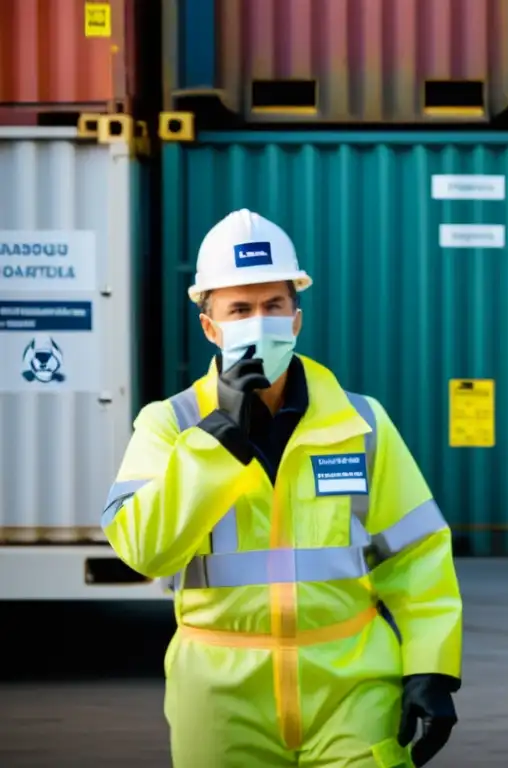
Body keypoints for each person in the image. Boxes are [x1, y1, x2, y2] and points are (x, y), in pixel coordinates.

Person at [102, 209, 463, 768]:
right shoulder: (169, 425)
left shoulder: (361, 421)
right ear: (210, 326)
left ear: (296, 318)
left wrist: (431, 665)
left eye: (273, 306)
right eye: (240, 309)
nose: (260, 322)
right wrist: (218, 439)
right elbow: (145, 551)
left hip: (353, 687)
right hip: (220, 699)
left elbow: (417, 556)